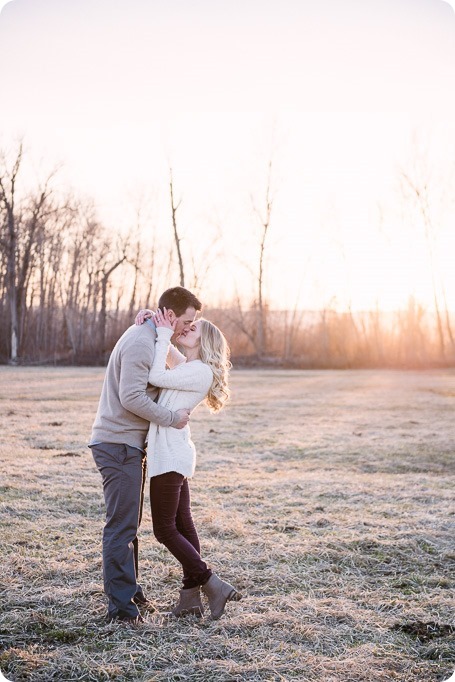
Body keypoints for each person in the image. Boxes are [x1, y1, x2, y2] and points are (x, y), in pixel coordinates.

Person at [89, 286, 202, 624]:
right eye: (185, 320)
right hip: (117, 444)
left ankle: (131, 593)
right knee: (121, 528)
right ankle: (122, 611)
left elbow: (180, 368)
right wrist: (172, 418)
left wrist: (166, 333)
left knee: (129, 526)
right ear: (168, 314)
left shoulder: (153, 337)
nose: (187, 326)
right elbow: (132, 397)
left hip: (128, 445)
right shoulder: (142, 340)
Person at [135, 306, 241, 620]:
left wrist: (164, 333)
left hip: (169, 454)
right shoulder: (192, 366)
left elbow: (155, 374)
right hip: (174, 452)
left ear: (204, 341)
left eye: (193, 329)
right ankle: (190, 600)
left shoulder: (199, 371)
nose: (186, 329)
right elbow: (166, 353)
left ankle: (212, 583)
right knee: (183, 525)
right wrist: (154, 324)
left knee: (165, 530)